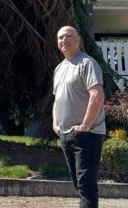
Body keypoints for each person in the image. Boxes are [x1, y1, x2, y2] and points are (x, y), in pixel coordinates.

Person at [52, 25, 106, 208]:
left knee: (86, 186)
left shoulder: (87, 63)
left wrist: (85, 125)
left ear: (78, 40)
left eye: (68, 36)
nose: (64, 40)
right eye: (60, 37)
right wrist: (55, 123)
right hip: (66, 134)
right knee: (79, 185)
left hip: (87, 135)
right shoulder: (59, 68)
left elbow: (97, 95)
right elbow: (57, 99)